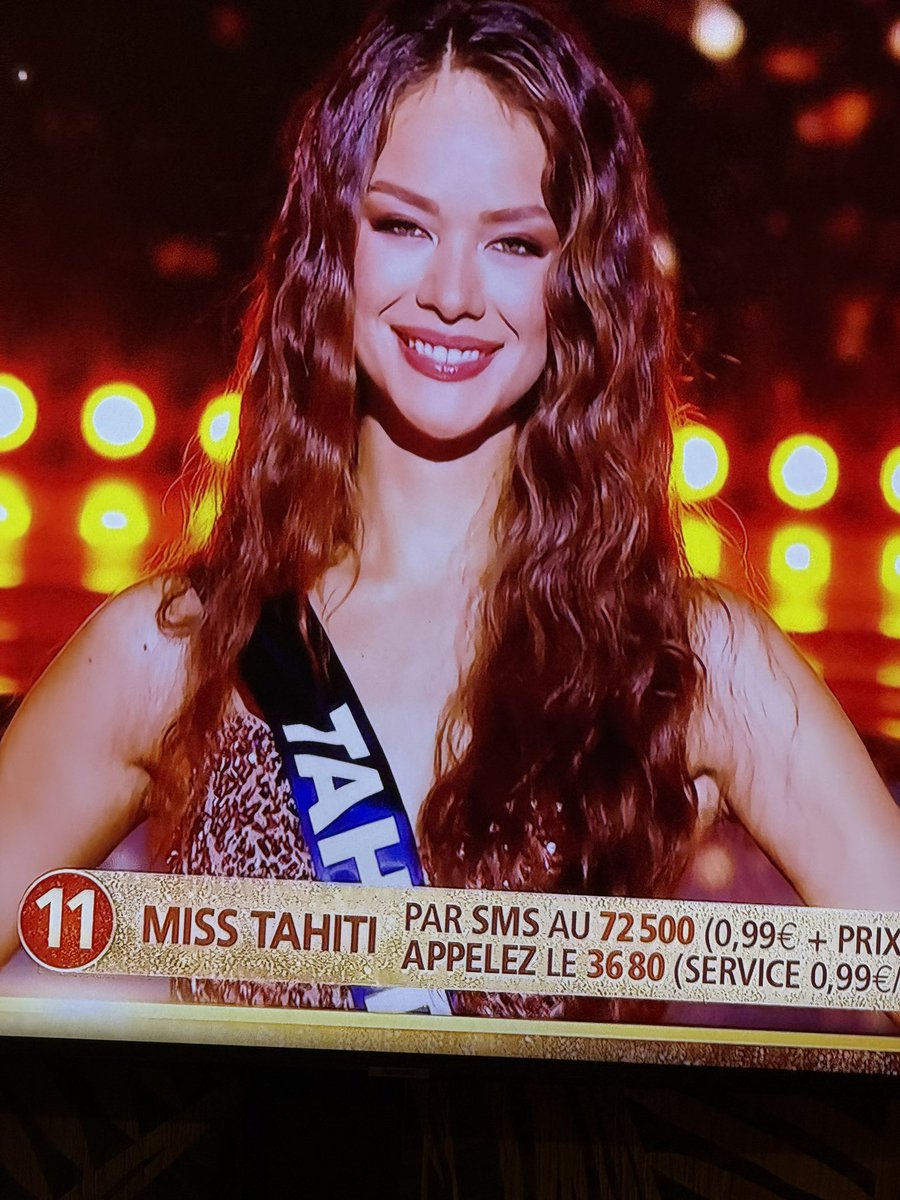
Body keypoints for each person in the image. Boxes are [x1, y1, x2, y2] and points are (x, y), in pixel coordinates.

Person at [1, 0, 899, 1022]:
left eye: (515, 244)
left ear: (582, 282)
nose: (454, 293)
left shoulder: (686, 660)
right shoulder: (172, 653)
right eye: (401, 225)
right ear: (329, 248)